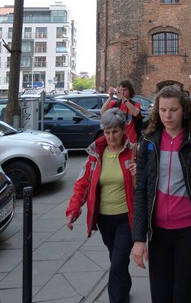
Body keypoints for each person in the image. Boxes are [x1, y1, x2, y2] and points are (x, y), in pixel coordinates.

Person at [132, 85, 191, 303]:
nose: (168, 115)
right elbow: (141, 190)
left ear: (184, 111)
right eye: (163, 110)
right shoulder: (149, 142)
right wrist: (138, 239)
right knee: (160, 297)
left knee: (182, 296)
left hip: (189, 232)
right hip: (158, 234)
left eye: (173, 110)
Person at [65, 109, 137, 303]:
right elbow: (82, 184)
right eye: (107, 132)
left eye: (115, 131)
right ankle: (125, 286)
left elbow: (145, 185)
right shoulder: (95, 154)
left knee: (118, 261)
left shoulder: (133, 153)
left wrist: (138, 174)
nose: (111, 137)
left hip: (127, 218)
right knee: (116, 258)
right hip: (105, 219)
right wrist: (73, 210)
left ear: (123, 130)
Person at [100, 79, 142, 143]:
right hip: (119, 139)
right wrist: (110, 97)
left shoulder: (135, 104)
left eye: (125, 90)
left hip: (131, 139)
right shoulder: (115, 103)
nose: (122, 92)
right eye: (121, 90)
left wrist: (124, 99)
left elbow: (136, 113)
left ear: (130, 91)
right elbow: (102, 112)